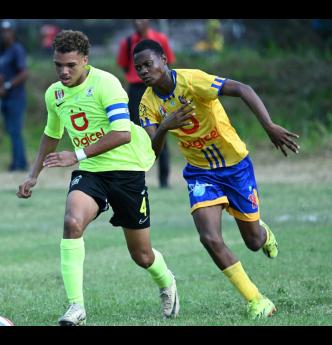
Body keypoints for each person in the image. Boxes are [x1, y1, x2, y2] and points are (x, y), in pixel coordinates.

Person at [16, 30, 179, 326]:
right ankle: (76, 307)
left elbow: (121, 133)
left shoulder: (106, 84)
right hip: (91, 171)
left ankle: (167, 281)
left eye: (70, 65)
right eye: (58, 65)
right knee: (72, 222)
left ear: (85, 61)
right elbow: (51, 135)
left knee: (141, 255)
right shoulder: (55, 94)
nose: (63, 72)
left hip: (127, 169)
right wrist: (33, 174)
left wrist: (75, 155)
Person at [133, 39, 300, 319]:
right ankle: (257, 300)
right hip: (200, 172)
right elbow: (153, 150)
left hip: (235, 167)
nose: (144, 71)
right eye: (139, 68)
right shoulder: (146, 104)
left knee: (253, 241)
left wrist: (269, 126)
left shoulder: (193, 80)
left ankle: (262, 230)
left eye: (148, 64)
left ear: (163, 59)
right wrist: (164, 126)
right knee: (209, 237)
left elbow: (243, 89)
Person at [117, 19, 175, 188]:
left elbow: (168, 61)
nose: (137, 22)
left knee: (162, 130)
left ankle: (164, 180)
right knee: (135, 135)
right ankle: (135, 179)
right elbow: (125, 66)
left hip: (157, 89)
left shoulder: (160, 39)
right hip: (135, 91)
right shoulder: (126, 43)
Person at [0, 19, 29, 171]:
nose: (5, 34)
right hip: (4, 97)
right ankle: (18, 161)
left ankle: (19, 164)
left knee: (15, 131)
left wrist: (7, 85)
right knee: (11, 131)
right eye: (2, 31)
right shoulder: (0, 51)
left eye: (8, 31)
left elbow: (24, 73)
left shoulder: (17, 49)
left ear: (13, 32)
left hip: (15, 97)